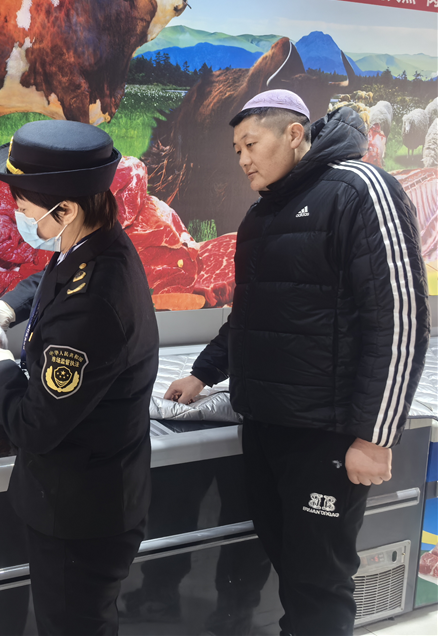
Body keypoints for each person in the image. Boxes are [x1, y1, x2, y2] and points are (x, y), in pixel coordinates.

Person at [164, 89, 430, 636]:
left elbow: (400, 320)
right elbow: (250, 316)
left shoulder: (360, 188)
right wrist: (203, 373)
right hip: (266, 424)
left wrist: (376, 437)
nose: (243, 160)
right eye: (237, 150)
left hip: (326, 434)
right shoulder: (264, 214)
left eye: (251, 144)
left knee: (318, 582)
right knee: (285, 558)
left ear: (292, 134)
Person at [0, 120, 160, 635]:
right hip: (84, 494)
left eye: (24, 207)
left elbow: (35, 424)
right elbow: (52, 277)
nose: (19, 216)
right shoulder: (96, 245)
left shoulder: (94, 301)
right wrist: (6, 309)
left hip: (81, 514)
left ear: (65, 210)